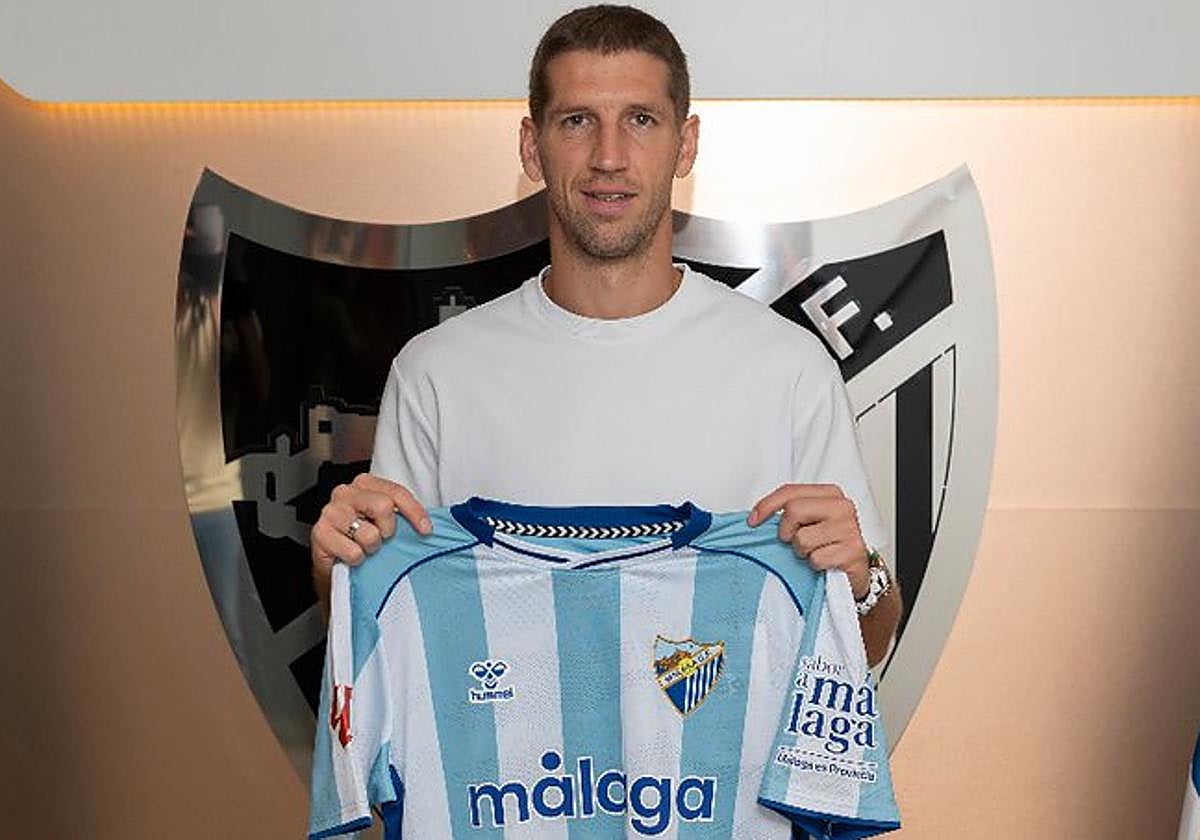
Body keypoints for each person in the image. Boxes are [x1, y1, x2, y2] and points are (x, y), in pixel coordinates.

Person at [309, 3, 901, 664]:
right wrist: (336, 573)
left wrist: (862, 584)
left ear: (688, 142)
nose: (610, 156)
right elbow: (380, 645)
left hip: (721, 768)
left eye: (641, 120)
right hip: (508, 769)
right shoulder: (437, 373)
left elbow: (870, 645)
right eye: (577, 121)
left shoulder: (787, 367)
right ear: (532, 147)